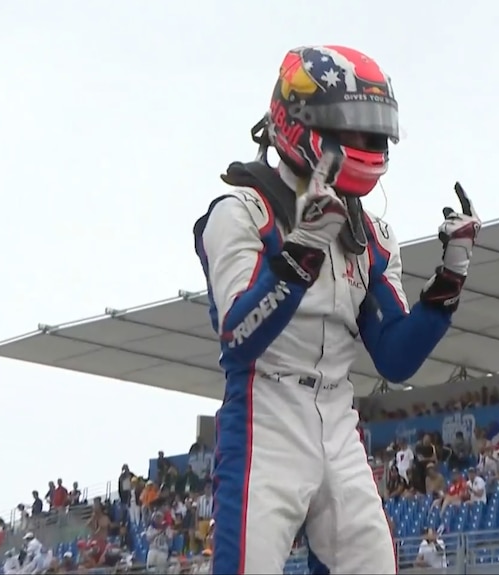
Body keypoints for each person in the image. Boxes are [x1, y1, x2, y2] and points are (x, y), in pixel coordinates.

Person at [193, 44, 481, 574]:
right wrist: (302, 250)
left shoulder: (371, 234)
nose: (366, 144)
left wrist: (451, 275)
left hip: (338, 417)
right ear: (298, 122)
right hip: (265, 414)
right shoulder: (240, 212)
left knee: (373, 565)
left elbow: (395, 357)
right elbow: (238, 335)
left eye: (373, 131)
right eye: (351, 128)